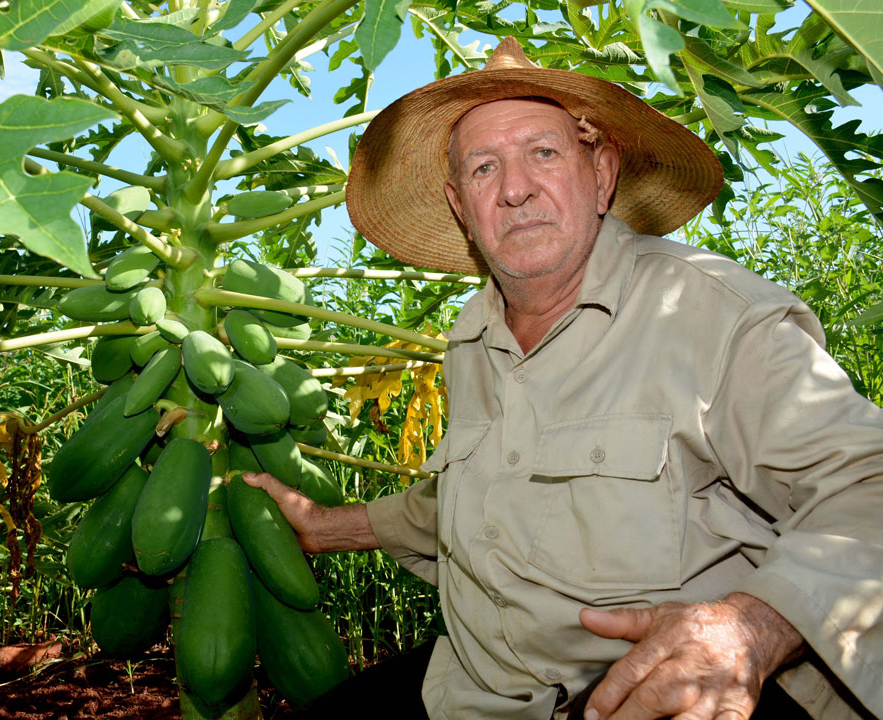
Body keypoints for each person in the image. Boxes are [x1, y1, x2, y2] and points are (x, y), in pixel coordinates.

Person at [242, 37, 883, 720]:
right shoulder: (471, 337)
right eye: (485, 168)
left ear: (602, 174)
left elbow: (868, 487)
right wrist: (327, 527)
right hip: (479, 691)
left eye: (543, 153)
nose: (515, 188)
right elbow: (475, 499)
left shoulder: (714, 315)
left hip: (661, 689)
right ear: (462, 207)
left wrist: (749, 629)